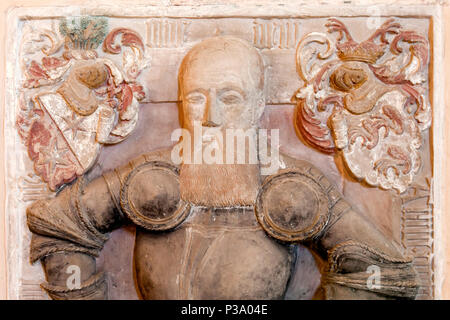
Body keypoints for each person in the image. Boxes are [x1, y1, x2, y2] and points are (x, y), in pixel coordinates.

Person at [26, 36, 419, 300]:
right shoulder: (150, 175)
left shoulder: (294, 185)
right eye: (196, 98)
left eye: (230, 97)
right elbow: (62, 224)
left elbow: (381, 268)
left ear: (258, 103)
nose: (211, 117)